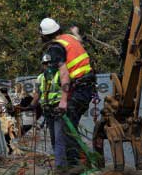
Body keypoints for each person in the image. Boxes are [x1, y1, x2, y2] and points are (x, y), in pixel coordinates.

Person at [39, 18, 96, 172]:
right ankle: (77, 162)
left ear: (44, 36)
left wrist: (63, 100)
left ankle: (74, 166)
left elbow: (64, 74)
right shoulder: (69, 38)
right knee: (71, 126)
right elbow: (78, 42)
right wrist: (76, 32)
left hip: (78, 89)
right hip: (87, 86)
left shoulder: (56, 48)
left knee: (66, 128)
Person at [30, 54, 62, 151]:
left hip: (59, 109)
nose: (47, 65)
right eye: (45, 64)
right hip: (48, 111)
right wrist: (29, 107)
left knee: (59, 136)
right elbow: (37, 95)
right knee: (53, 137)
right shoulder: (40, 78)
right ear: (43, 65)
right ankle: (58, 160)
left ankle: (65, 162)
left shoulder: (59, 74)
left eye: (49, 63)